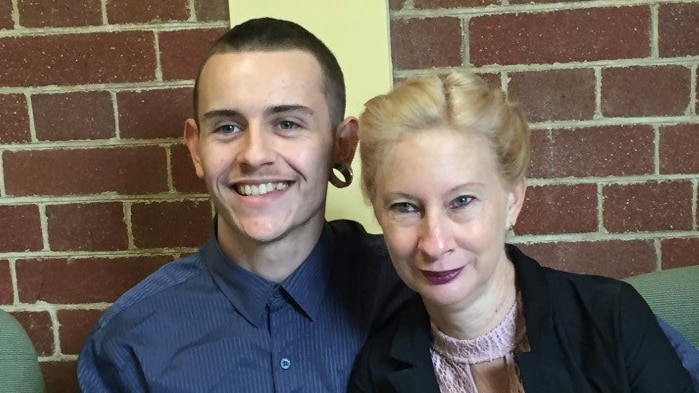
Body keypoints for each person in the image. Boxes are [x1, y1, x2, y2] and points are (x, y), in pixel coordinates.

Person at [77, 18, 409, 392]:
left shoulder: (412, 290)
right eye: (227, 128)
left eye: (286, 123)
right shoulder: (129, 342)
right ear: (195, 149)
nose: (254, 155)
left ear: (342, 146)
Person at [348, 71, 694, 392]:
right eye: (405, 207)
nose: (435, 244)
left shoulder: (611, 318)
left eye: (462, 201)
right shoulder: (375, 373)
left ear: (513, 200)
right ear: (378, 212)